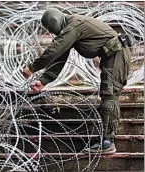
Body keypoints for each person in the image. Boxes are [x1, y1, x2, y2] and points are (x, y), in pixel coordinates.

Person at [23, 8, 132, 154]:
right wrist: (44, 80)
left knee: (110, 95)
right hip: (112, 55)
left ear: (53, 23)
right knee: (108, 94)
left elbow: (55, 49)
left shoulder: (74, 24)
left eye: (49, 28)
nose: (50, 31)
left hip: (117, 54)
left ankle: (108, 142)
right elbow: (60, 56)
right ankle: (106, 140)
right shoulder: (71, 27)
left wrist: (32, 68)